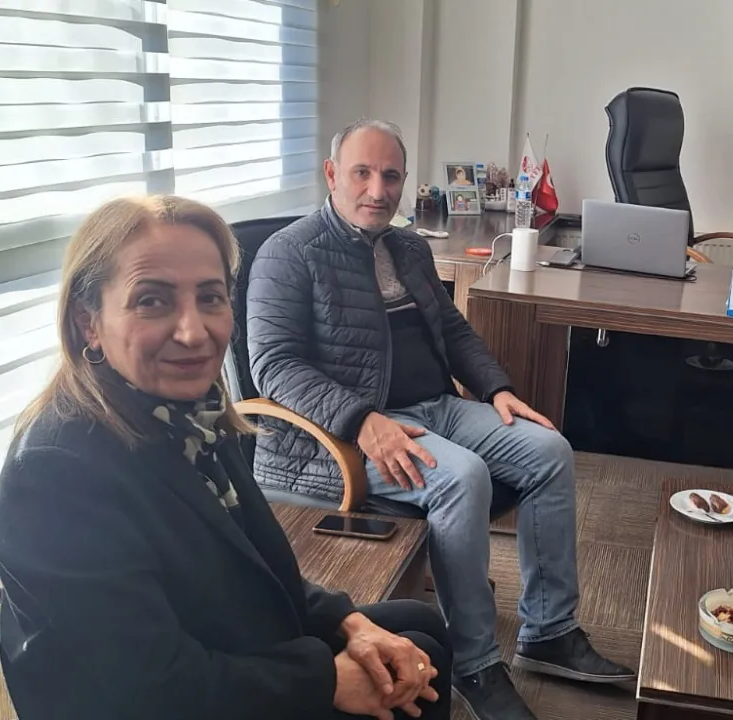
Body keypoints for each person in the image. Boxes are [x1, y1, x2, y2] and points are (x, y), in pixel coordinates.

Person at [0, 196, 451, 720]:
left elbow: (259, 560)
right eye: (152, 301)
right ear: (87, 321)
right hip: (158, 695)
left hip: (212, 636)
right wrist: (325, 680)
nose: (193, 332)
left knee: (416, 625)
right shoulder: (53, 477)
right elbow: (141, 687)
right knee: (416, 664)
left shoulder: (191, 413)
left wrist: (349, 623)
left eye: (210, 297)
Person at [246, 120, 634, 720]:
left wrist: (497, 388)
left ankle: (549, 630)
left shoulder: (407, 247)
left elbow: (452, 331)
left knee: (550, 451)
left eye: (391, 176)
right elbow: (273, 366)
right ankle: (476, 664)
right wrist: (362, 420)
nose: (377, 189)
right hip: (340, 439)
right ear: (331, 174)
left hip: (437, 408)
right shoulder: (288, 253)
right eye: (361, 173)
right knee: (463, 477)